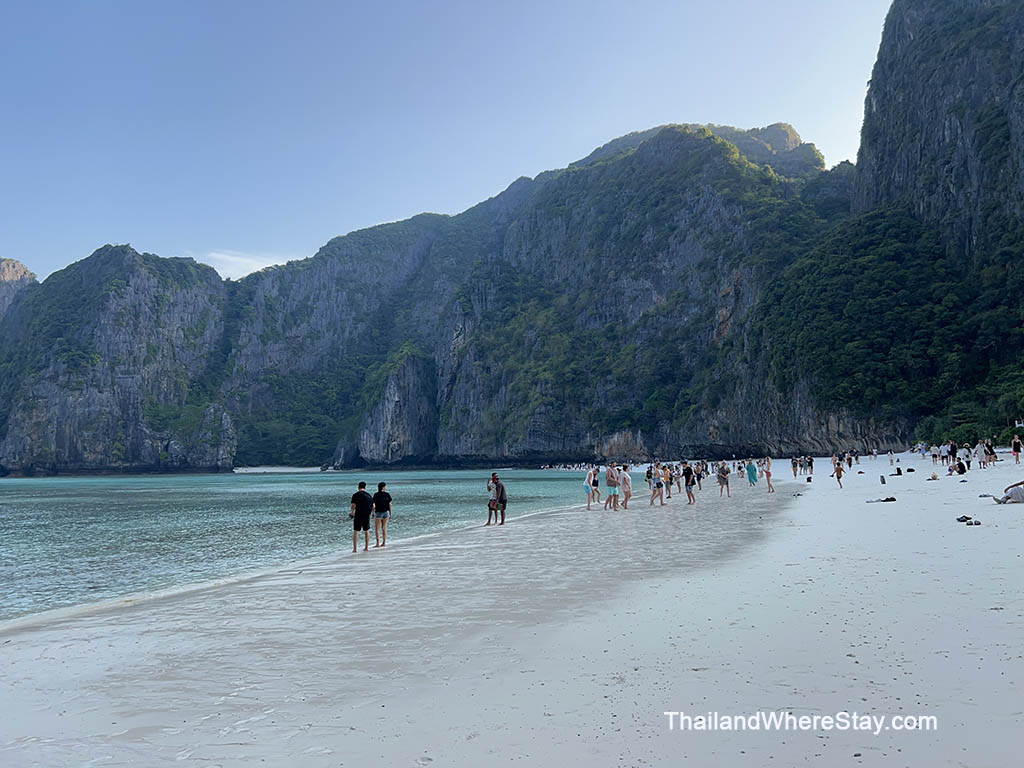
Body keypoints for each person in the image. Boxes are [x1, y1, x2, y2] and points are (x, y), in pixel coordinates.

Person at [350, 481, 373, 553]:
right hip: (366, 514)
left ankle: (355, 549)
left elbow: (353, 505)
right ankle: (366, 547)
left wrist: (352, 512)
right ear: (365, 487)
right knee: (366, 530)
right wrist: (372, 513)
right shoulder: (369, 495)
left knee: (356, 531)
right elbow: (373, 506)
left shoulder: (355, 495)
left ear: (358, 487)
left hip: (358, 514)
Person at [372, 481, 392, 547]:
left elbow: (373, 505)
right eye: (385, 486)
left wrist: (372, 512)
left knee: (377, 528)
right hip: (386, 512)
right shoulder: (387, 494)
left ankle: (377, 543)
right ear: (383, 487)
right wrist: (390, 513)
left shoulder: (376, 494)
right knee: (384, 528)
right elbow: (390, 504)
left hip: (378, 512)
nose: (386, 487)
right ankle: (384, 543)